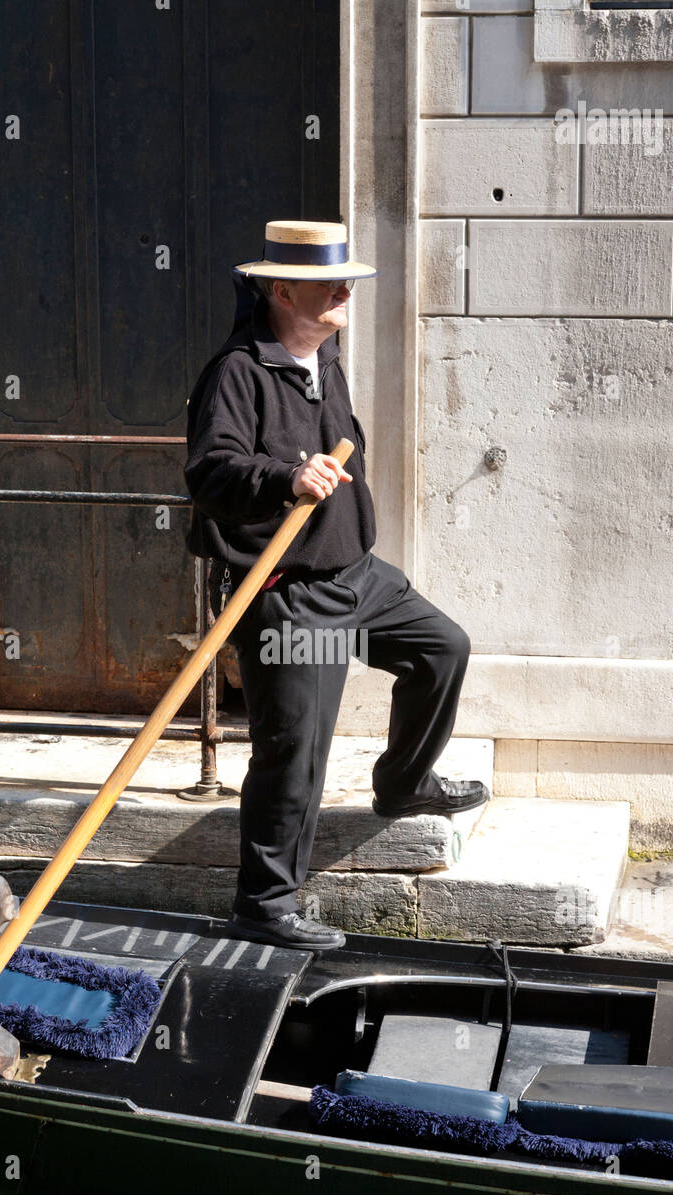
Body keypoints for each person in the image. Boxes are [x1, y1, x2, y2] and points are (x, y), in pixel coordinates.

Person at [185, 220, 488, 952]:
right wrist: (284, 476)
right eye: (330, 282)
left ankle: (404, 781)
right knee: (295, 752)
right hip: (287, 591)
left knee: (442, 649)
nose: (345, 291)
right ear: (282, 290)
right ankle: (264, 905)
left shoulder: (326, 352)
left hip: (357, 573)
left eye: (347, 278)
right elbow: (209, 472)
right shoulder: (237, 372)